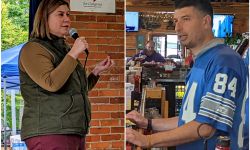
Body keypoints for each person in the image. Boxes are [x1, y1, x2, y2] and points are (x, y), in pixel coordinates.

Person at [126, 0, 248, 149]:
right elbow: (188, 119)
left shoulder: (223, 62)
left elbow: (205, 127)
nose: (177, 27)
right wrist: (148, 123)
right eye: (176, 21)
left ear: (205, 21)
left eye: (186, 19)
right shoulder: (202, 60)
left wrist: (148, 140)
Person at [18, 0, 114, 149]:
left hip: (73, 130)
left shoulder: (64, 50)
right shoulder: (32, 49)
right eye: (60, 14)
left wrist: (95, 72)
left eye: (68, 14)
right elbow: (52, 83)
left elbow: (75, 89)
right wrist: (74, 52)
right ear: (45, 17)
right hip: (49, 132)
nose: (67, 19)